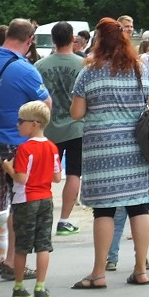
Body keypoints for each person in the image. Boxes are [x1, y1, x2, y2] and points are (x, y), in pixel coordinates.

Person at [69, 17, 149, 289]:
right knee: (139, 206)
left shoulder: (89, 71)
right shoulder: (139, 68)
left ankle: (98, 273)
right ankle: (141, 269)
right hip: (135, 146)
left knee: (103, 210)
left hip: (101, 150)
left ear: (98, 40)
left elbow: (77, 113)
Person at [0, 19, 51, 281]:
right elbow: (46, 105)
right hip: (16, 144)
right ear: (30, 40)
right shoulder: (25, 70)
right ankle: (11, 261)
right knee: (18, 202)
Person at [1, 101, 61, 297]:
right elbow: (57, 177)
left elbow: (21, 178)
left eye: (21, 121)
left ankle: (19, 287)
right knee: (43, 244)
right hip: (46, 198)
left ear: (34, 124)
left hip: (25, 199)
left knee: (22, 246)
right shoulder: (52, 147)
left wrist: (8, 168)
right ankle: (40, 287)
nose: (18, 125)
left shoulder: (25, 149)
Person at [35, 21, 85, 237]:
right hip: (76, 127)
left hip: (48, 128)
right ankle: (64, 219)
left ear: (53, 39)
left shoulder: (40, 66)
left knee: (44, 175)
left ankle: (41, 220)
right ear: (72, 38)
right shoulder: (83, 65)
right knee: (74, 172)